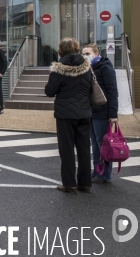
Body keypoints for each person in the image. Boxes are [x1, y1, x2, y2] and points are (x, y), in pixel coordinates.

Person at [45, 38, 93, 193]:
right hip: (85, 111)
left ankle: (69, 183)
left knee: (66, 150)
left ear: (61, 50)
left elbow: (49, 91)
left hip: (65, 113)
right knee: (84, 148)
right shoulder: (87, 67)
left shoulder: (59, 68)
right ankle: (85, 183)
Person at [82, 43, 118, 184]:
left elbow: (112, 92)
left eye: (87, 54)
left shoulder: (105, 68)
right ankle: (97, 170)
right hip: (91, 111)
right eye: (83, 54)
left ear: (96, 54)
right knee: (95, 143)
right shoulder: (88, 69)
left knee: (103, 143)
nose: (85, 56)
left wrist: (113, 114)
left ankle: (105, 173)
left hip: (102, 112)